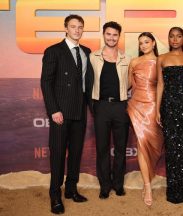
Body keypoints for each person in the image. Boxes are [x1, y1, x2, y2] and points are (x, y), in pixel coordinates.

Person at [41, 14, 91, 214]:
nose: (77, 30)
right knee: (58, 154)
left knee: (76, 154)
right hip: (60, 113)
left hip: (80, 111)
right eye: (73, 26)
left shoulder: (86, 51)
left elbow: (87, 83)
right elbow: (46, 82)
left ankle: (71, 189)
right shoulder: (54, 51)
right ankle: (55, 195)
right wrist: (54, 110)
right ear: (65, 28)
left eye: (80, 27)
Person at [88, 21, 131, 199]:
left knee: (121, 148)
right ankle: (105, 185)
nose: (112, 37)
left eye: (115, 35)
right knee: (103, 148)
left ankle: (118, 184)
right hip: (102, 106)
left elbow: (132, 82)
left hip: (121, 107)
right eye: (108, 34)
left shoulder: (127, 59)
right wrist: (94, 106)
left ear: (118, 37)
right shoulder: (93, 57)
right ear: (104, 35)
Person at [156, 27, 183, 204]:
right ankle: (174, 192)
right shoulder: (161, 58)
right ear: (168, 39)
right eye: (171, 36)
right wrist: (157, 109)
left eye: (179, 36)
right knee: (172, 150)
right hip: (169, 107)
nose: (175, 39)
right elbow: (160, 85)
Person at [127, 32, 164, 207]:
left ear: (153, 42)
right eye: (140, 43)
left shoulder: (161, 61)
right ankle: (147, 186)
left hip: (154, 107)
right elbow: (127, 85)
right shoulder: (134, 62)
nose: (143, 45)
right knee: (141, 145)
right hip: (136, 106)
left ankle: (148, 177)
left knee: (155, 146)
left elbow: (164, 86)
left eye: (146, 42)